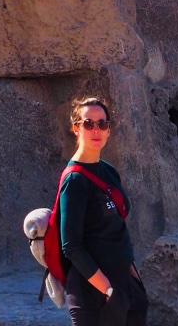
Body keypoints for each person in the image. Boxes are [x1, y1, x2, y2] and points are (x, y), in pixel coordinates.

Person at [58, 96, 148, 326]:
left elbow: (117, 226)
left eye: (102, 124)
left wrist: (134, 281)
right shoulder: (75, 180)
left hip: (124, 284)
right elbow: (71, 245)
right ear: (76, 129)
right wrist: (108, 290)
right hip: (94, 293)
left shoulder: (108, 171)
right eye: (88, 124)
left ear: (108, 130)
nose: (95, 129)